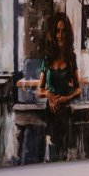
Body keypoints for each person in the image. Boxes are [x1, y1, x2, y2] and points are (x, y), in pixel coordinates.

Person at [35, 13, 82, 159]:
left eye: (63, 31)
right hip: (50, 110)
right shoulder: (47, 59)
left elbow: (78, 89)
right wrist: (49, 94)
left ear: (68, 34)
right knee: (52, 152)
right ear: (53, 34)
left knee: (65, 152)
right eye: (57, 31)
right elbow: (39, 90)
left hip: (65, 110)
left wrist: (66, 98)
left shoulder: (71, 59)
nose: (60, 35)